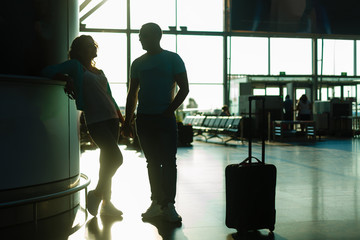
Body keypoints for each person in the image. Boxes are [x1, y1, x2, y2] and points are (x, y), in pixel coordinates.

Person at [42, 35, 124, 217]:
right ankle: (96, 194)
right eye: (88, 46)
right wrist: (65, 78)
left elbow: (110, 97)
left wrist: (122, 119)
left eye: (93, 45)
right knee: (116, 158)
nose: (93, 48)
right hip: (96, 120)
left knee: (107, 161)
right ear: (80, 50)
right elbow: (46, 71)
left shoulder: (99, 71)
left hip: (112, 119)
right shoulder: (75, 67)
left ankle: (107, 204)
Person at [122, 22, 189, 223]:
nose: (139, 39)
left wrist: (168, 111)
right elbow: (132, 94)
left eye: (142, 35)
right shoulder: (138, 63)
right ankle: (157, 202)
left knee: (168, 161)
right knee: (152, 162)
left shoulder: (173, 59)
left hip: (164, 119)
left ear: (154, 36)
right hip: (144, 119)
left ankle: (168, 205)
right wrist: (127, 120)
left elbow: (184, 89)